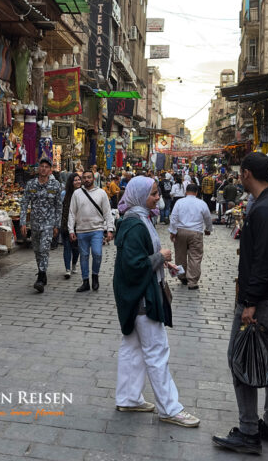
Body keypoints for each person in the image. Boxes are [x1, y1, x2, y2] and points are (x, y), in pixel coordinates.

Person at [213, 153, 268, 455]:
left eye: (240, 174)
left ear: (247, 174)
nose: (238, 178)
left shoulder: (265, 209)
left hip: (263, 298)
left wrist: (249, 302)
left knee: (241, 356)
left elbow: (262, 261)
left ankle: (249, 431)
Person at [112, 176, 200, 429]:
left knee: (133, 347)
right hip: (142, 298)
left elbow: (138, 258)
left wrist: (163, 262)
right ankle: (170, 408)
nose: (157, 197)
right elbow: (134, 266)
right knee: (157, 350)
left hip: (137, 295)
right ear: (139, 196)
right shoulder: (136, 224)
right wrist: (159, 257)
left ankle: (128, 398)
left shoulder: (139, 219)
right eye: (152, 193)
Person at [20, 159, 63, 293]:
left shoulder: (55, 185)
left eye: (46, 167)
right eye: (41, 166)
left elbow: (58, 206)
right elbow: (24, 203)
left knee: (44, 248)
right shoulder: (31, 184)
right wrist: (22, 222)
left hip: (48, 223)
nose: (43, 169)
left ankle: (41, 276)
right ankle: (41, 271)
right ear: (38, 169)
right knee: (37, 250)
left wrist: (57, 225)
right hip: (34, 223)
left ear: (50, 170)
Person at [68, 169, 114, 292]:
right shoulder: (77, 193)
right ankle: (85, 281)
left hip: (97, 229)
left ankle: (95, 276)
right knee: (84, 256)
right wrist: (71, 230)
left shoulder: (101, 193)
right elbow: (72, 213)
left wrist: (110, 229)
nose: (87, 179)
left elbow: (107, 212)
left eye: (89, 177)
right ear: (82, 179)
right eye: (85, 178)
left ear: (93, 179)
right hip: (81, 230)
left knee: (97, 253)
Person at [169, 184, 213, 290]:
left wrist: (173, 231)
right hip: (196, 232)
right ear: (197, 192)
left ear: (185, 191)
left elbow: (174, 217)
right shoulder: (202, 203)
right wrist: (208, 229)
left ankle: (182, 277)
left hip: (181, 232)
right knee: (195, 256)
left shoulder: (179, 202)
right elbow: (208, 217)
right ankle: (192, 282)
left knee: (180, 255)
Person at [60, 173, 82, 279]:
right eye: (75, 180)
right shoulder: (64, 194)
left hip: (79, 225)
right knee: (67, 247)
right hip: (65, 224)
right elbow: (61, 208)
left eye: (79, 179)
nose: (78, 181)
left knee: (76, 248)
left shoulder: (83, 193)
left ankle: (73, 264)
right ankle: (67, 269)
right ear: (71, 182)